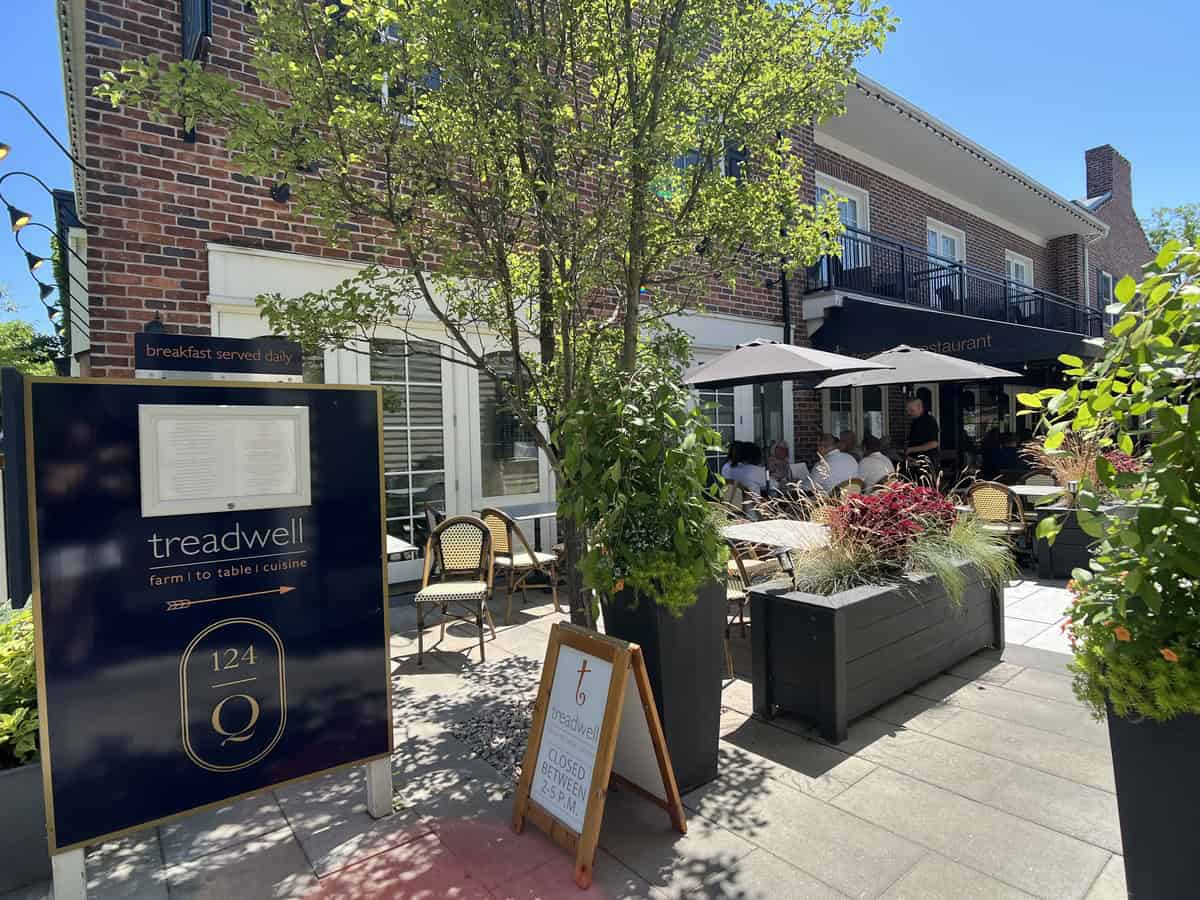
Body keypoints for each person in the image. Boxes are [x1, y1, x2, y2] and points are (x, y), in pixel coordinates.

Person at [903, 395, 940, 480]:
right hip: (916, 464)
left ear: (919, 407)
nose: (908, 413)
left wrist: (911, 449)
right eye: (907, 410)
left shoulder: (929, 421)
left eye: (911, 410)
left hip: (926, 465)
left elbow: (933, 444)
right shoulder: (916, 422)